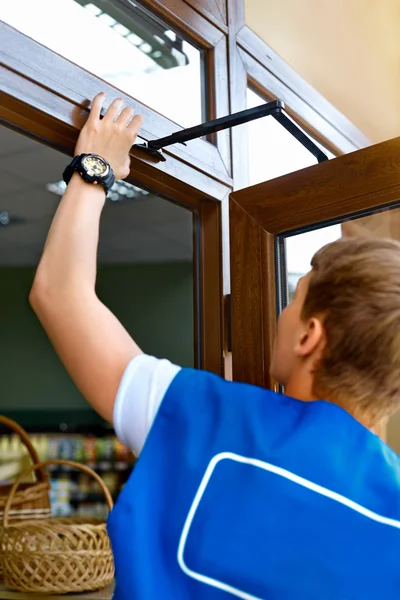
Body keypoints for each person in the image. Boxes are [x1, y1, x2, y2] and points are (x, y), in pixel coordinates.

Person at [30, 93, 400, 600]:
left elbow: (59, 294)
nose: (280, 315)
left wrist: (95, 167)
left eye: (294, 300)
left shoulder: (210, 416)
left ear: (311, 336)